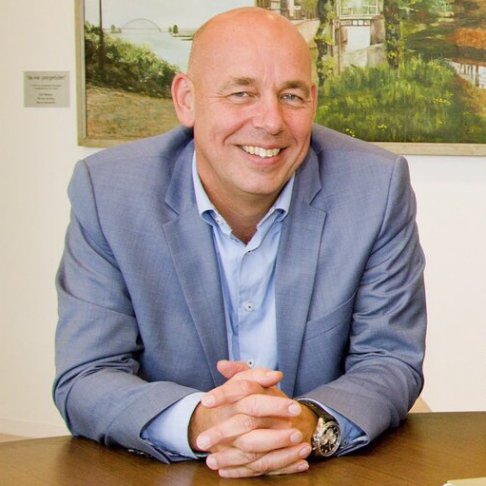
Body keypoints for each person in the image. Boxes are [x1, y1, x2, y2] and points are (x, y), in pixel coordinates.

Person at [53, 7, 427, 478]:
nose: (270, 121)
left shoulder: (375, 187)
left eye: (291, 96)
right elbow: (87, 375)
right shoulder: (109, 193)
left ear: (313, 101)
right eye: (241, 93)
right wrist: (201, 423)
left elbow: (389, 359)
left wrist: (304, 424)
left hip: (322, 466)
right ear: (186, 99)